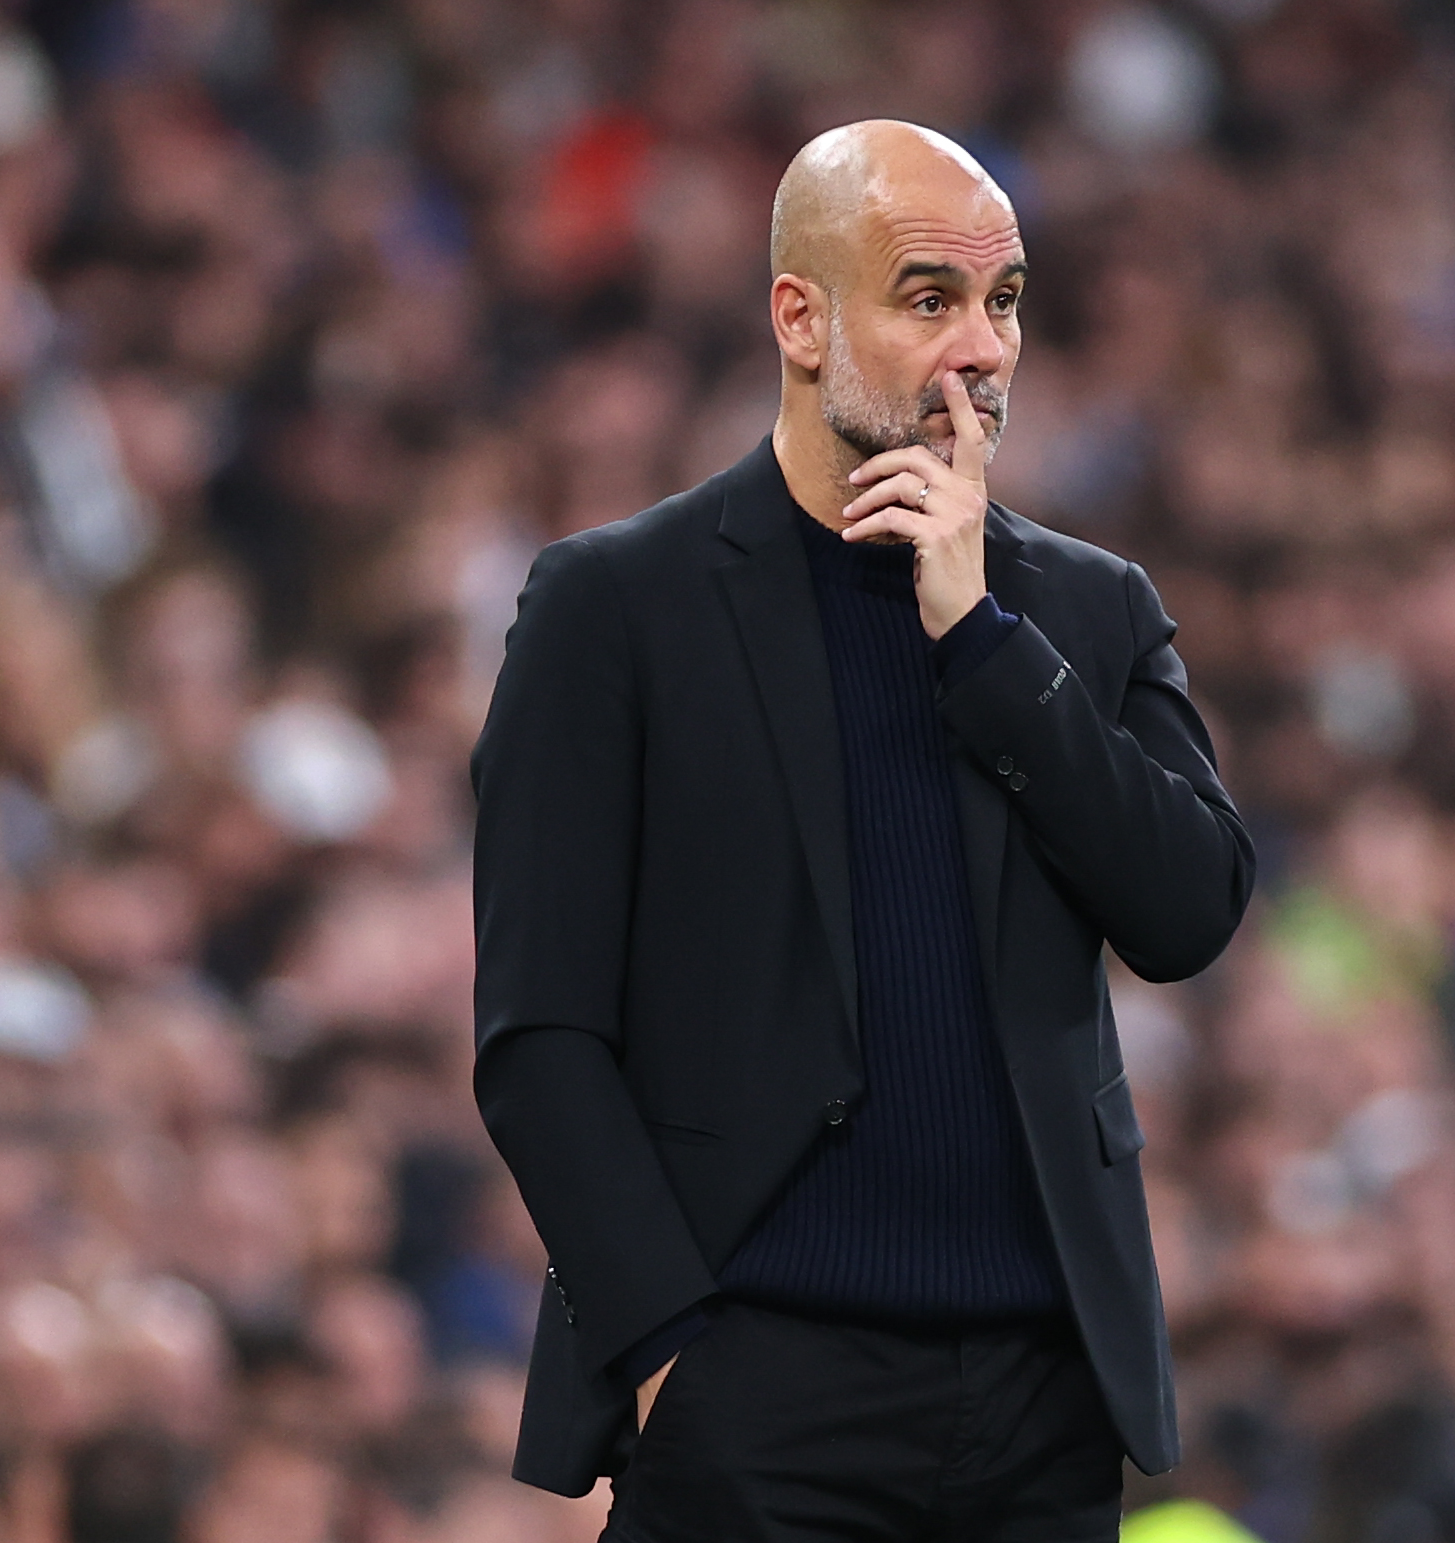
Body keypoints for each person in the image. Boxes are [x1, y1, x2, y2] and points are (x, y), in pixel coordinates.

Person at [470, 119, 1255, 1542]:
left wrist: (982, 642)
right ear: (800, 319)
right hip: (754, 1389)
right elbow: (540, 1035)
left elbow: (1189, 910)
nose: (981, 348)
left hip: (1039, 1403)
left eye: (1003, 301)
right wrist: (665, 1354)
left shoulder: (1082, 611)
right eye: (928, 299)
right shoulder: (616, 605)